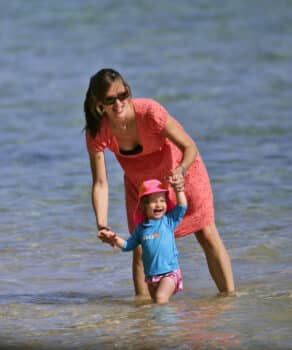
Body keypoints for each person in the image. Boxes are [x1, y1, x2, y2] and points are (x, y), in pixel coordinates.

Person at [84, 68, 235, 297]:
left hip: (181, 174)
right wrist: (102, 224)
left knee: (206, 232)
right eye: (110, 100)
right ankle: (146, 319)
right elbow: (100, 183)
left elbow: (189, 147)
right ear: (98, 103)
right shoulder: (98, 132)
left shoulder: (150, 112)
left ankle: (229, 300)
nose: (119, 103)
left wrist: (181, 170)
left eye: (123, 95)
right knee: (140, 246)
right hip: (142, 186)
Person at [99, 178, 187, 304]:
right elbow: (127, 246)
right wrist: (115, 239)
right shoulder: (141, 229)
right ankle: (167, 323)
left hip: (170, 273)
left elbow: (182, 207)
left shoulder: (168, 221)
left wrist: (179, 190)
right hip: (151, 277)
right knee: (157, 306)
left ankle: (167, 322)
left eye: (162, 200)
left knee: (160, 299)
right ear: (144, 205)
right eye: (154, 202)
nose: (159, 205)